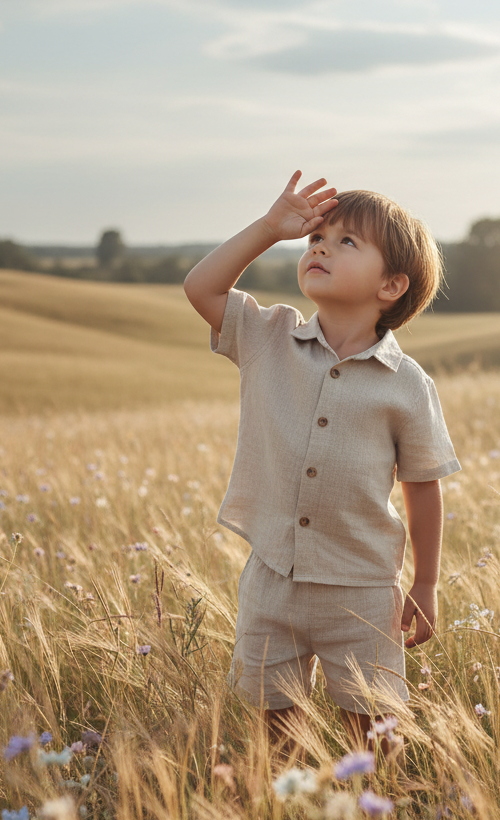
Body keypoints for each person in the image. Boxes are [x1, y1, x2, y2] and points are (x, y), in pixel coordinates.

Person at [183, 171, 460, 751]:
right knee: (275, 730)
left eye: (346, 242)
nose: (319, 247)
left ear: (391, 286)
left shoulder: (407, 385)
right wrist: (268, 228)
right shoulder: (267, 337)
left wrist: (427, 582)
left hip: (360, 588)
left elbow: (423, 486)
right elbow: (200, 288)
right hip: (272, 577)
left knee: (377, 731)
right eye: (316, 238)